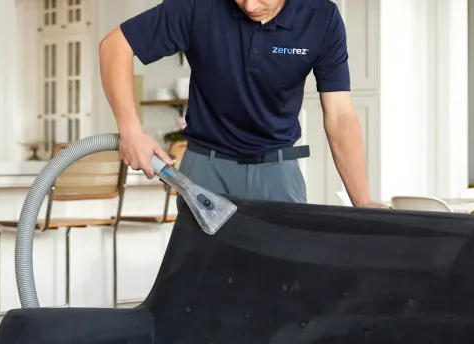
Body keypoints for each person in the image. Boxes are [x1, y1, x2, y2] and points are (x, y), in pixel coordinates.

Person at [99, 0, 380, 207]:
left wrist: (363, 201)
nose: (249, 5)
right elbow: (115, 46)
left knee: (285, 282)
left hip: (278, 171)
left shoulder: (321, 17)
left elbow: (340, 114)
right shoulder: (197, 5)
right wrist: (131, 130)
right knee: (205, 283)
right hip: (205, 169)